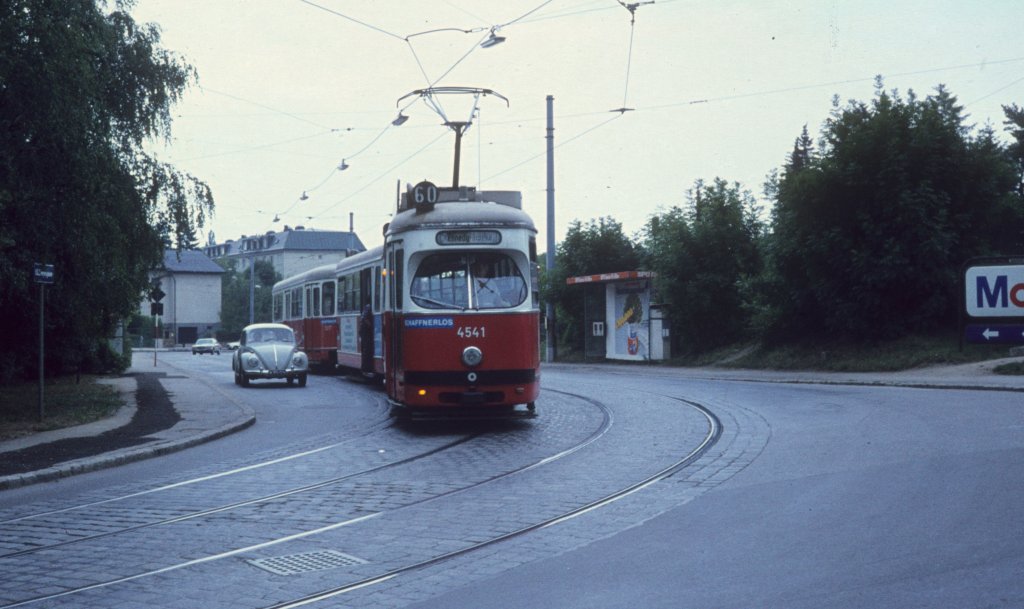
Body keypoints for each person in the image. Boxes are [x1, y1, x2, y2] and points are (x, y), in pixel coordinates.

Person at [359, 304, 374, 375]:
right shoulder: (369, 308)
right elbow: (365, 319)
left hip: (363, 332)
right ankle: (365, 368)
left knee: (366, 349)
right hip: (366, 332)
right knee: (367, 349)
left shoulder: (366, 308)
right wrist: (371, 326)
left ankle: (365, 368)